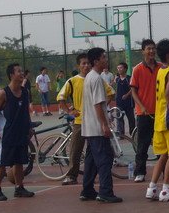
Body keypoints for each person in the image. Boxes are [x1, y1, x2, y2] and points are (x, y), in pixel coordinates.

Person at [57, 53, 114, 186]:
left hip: (93, 122)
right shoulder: (72, 81)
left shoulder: (96, 79)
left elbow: (111, 93)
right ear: (78, 66)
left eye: (88, 63)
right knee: (76, 150)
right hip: (79, 122)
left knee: (93, 152)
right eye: (83, 63)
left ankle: (91, 178)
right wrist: (70, 111)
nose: (86, 66)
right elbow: (61, 98)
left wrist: (103, 107)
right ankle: (72, 175)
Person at [80, 47, 122, 203]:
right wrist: (104, 125)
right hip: (96, 128)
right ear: (96, 61)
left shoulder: (89, 77)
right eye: (103, 57)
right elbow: (98, 104)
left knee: (91, 161)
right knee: (105, 159)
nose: (106, 59)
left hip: (89, 127)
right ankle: (105, 191)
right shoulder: (97, 79)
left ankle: (87, 190)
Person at [145, 39, 169, 202]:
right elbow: (168, 94)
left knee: (163, 154)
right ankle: (166, 190)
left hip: (159, 119)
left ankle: (152, 188)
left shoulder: (160, 70)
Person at [0, 63, 35, 201]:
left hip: (21, 132)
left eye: (22, 71)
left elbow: (25, 111)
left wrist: (29, 127)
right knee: (1, 163)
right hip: (7, 133)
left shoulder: (25, 92)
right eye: (18, 71)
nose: (22, 73)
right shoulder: (4, 93)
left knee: (19, 161)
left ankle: (19, 188)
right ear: (11, 75)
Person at [130, 39, 159, 183]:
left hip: (160, 112)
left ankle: (164, 170)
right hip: (144, 114)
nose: (151, 51)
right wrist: (141, 106)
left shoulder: (161, 68)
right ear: (143, 51)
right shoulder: (137, 69)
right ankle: (140, 172)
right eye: (148, 49)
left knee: (161, 144)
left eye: (153, 48)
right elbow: (133, 91)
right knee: (143, 144)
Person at [114, 62, 134, 136]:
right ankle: (121, 134)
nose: (119, 69)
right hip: (119, 102)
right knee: (119, 118)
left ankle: (133, 133)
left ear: (125, 69)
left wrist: (127, 95)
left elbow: (133, 89)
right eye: (118, 68)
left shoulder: (129, 78)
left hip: (128, 103)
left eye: (121, 68)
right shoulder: (117, 79)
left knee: (131, 119)